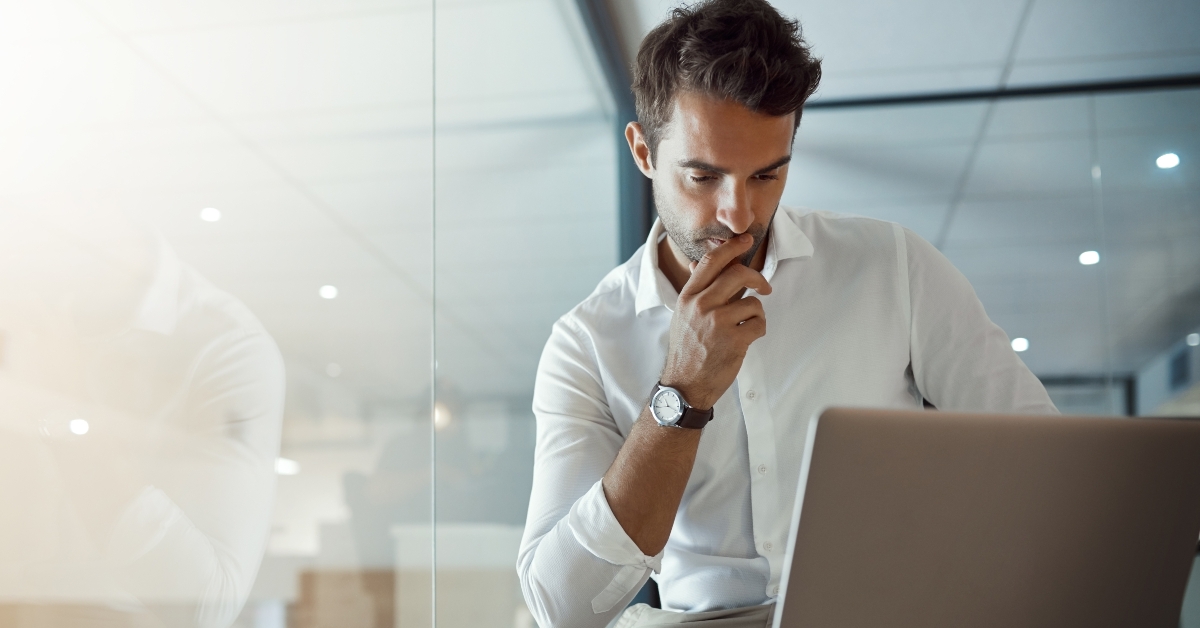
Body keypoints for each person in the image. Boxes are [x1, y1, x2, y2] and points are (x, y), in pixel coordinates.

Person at [516, 0, 1057, 626]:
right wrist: (681, 394)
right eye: (703, 177)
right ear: (643, 153)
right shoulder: (585, 343)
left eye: (767, 176)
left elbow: (1042, 470)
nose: (739, 215)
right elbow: (561, 604)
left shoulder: (894, 267)